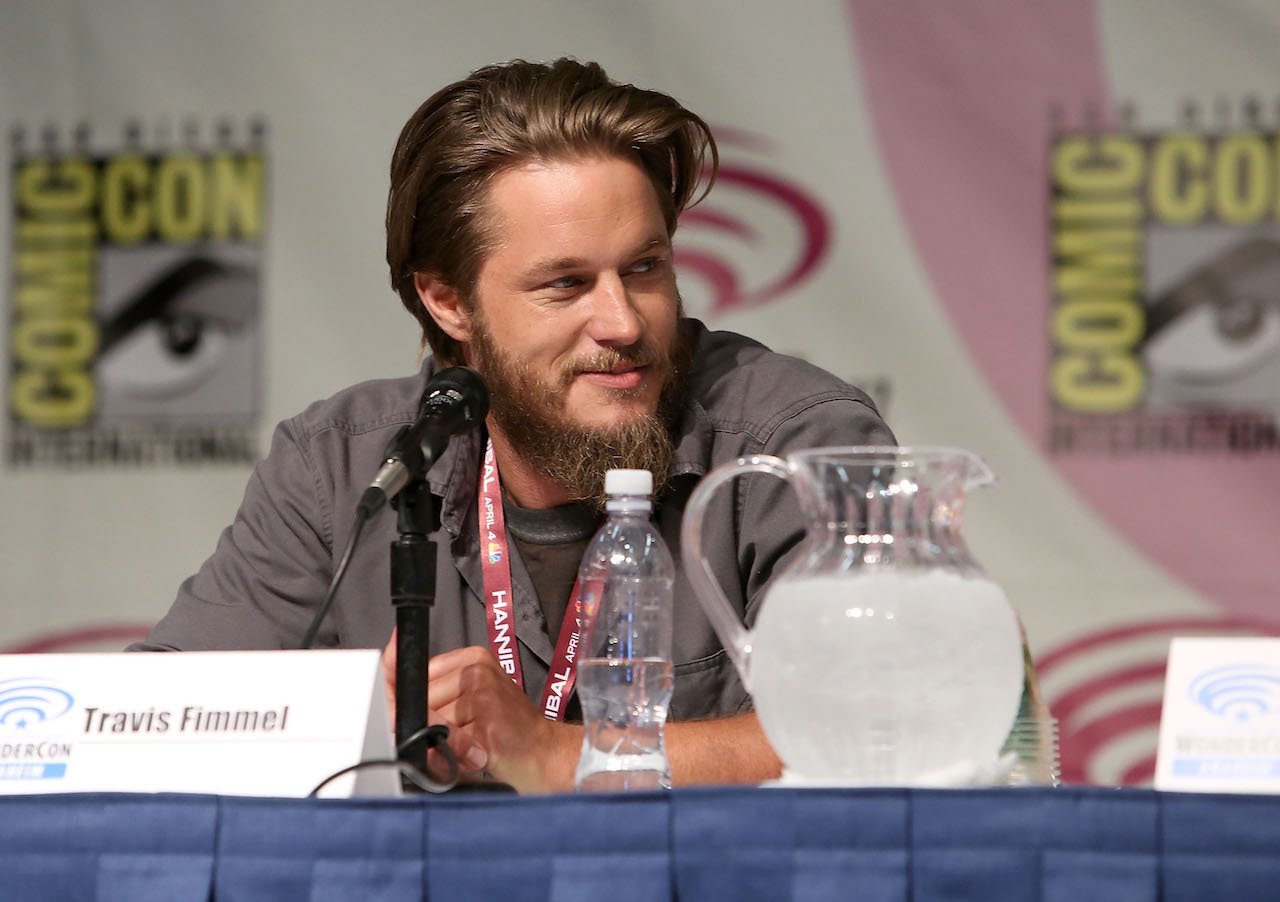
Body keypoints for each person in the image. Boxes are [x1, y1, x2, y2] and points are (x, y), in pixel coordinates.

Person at [134, 58, 894, 793]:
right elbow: (150, 728)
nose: (623, 322)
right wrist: (353, 717)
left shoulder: (796, 446)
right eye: (565, 284)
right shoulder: (343, 467)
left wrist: (561, 758)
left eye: (644, 269)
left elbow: (879, 730)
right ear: (448, 302)